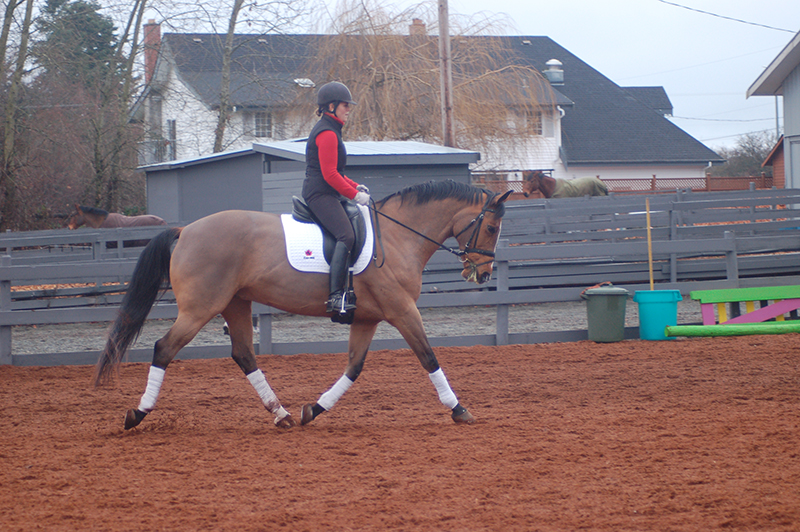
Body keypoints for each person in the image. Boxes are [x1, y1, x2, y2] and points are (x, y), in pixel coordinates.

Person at [302, 81, 370, 320]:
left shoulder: (331, 130)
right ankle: (335, 295)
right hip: (319, 194)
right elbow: (330, 174)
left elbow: (337, 173)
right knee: (346, 235)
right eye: (345, 105)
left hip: (327, 191)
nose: (348, 109)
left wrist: (354, 186)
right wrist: (355, 196)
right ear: (331, 106)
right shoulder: (328, 133)